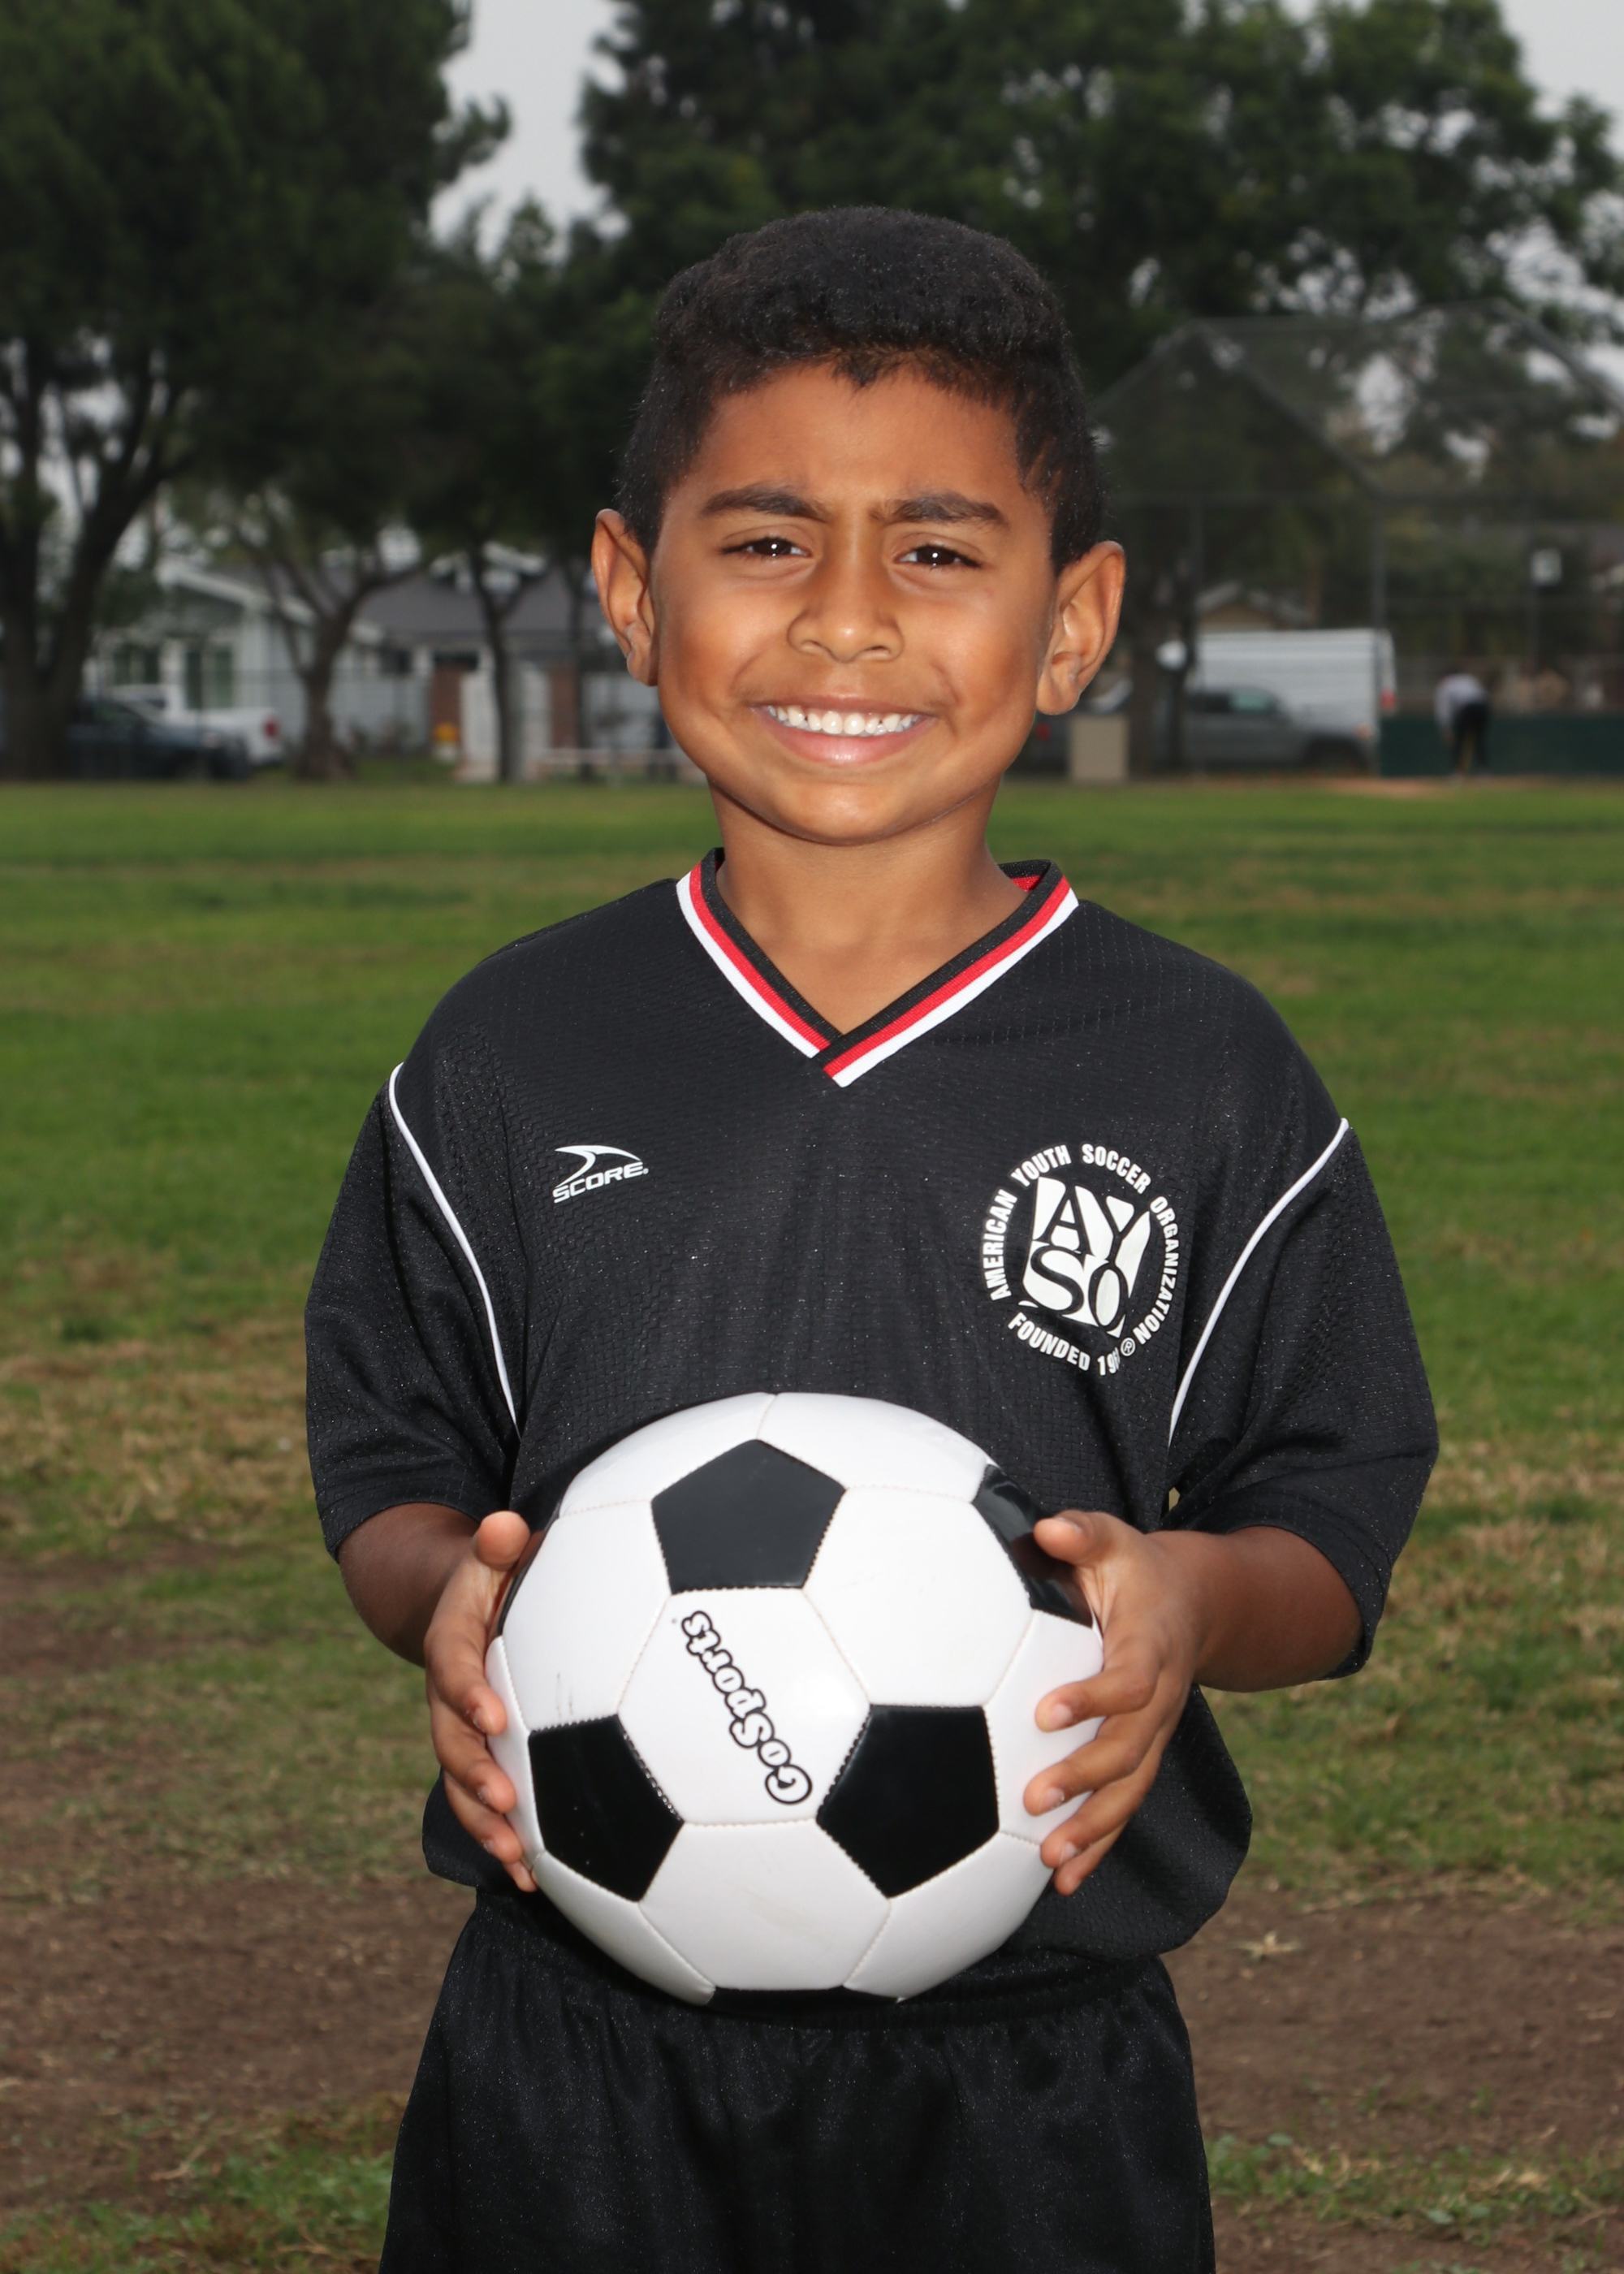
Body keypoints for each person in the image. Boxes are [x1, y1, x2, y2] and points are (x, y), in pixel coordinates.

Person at [306, 208, 1436, 2274]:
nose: (843, 621)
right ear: (631, 591)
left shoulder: (1199, 1068)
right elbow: (394, 1471)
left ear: (1070, 621)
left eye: (933, 548)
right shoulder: (508, 1051)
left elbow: (1327, 1514)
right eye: (763, 540)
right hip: (574, 2049)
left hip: (1032, 2071)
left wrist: (1190, 1599)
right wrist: (442, 1599)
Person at [1435, 664, 1491, 775]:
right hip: (1483, 707)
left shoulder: (1445, 684)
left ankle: (1458, 772)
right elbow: (1484, 695)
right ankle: (1483, 770)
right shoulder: (1468, 678)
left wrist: (1446, 729)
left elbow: (1444, 710)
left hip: (1467, 708)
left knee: (1459, 741)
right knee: (1478, 740)